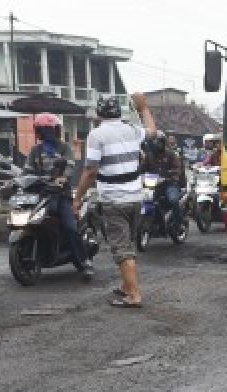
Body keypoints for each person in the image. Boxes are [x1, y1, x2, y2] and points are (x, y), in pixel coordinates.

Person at [74, 93, 157, 309]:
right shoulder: (131, 130)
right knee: (127, 244)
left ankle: (133, 296)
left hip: (114, 200)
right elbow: (153, 132)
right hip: (136, 198)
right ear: (119, 112)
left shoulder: (96, 135)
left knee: (121, 249)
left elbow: (90, 171)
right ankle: (126, 286)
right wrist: (144, 108)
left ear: (99, 113)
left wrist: (78, 197)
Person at [26, 112, 91, 279]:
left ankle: (84, 262)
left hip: (61, 195)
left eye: (49, 130)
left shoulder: (65, 148)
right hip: (40, 195)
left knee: (70, 226)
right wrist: (17, 181)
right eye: (42, 130)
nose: (46, 134)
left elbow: (69, 167)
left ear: (56, 131)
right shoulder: (35, 150)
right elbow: (26, 171)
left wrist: (63, 178)